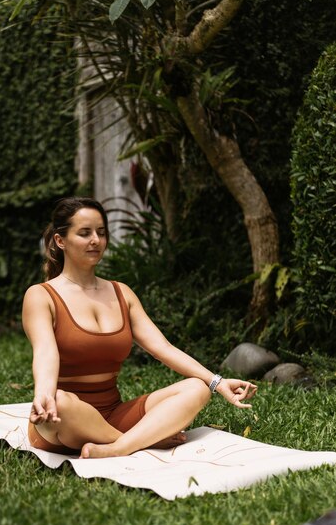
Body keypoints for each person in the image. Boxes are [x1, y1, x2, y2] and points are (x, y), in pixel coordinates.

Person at [22, 196, 257, 459]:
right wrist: (44, 394)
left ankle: (117, 447)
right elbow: (45, 352)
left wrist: (218, 382)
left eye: (101, 232)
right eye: (84, 233)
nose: (96, 241)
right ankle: (141, 441)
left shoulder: (122, 293)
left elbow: (163, 348)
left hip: (113, 415)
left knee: (197, 388)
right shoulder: (41, 296)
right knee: (64, 402)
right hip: (61, 420)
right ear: (60, 240)